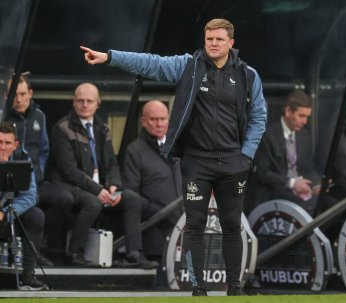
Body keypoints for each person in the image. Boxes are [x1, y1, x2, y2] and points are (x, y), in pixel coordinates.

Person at [80, 18, 267, 296]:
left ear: (231, 43)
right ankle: (198, 288)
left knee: (231, 225)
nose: (213, 44)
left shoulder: (247, 75)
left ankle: (235, 288)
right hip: (196, 162)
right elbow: (150, 63)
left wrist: (246, 156)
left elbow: (259, 118)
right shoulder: (188, 66)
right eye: (209, 39)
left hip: (232, 162)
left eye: (218, 39)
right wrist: (109, 57)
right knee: (194, 226)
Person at [49, 82, 157, 268]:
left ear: (97, 103)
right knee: (92, 201)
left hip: (100, 189)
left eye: (89, 101)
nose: (84, 104)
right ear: (73, 103)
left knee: (132, 199)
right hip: (73, 188)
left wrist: (114, 185)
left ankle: (134, 253)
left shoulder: (102, 128)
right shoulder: (62, 128)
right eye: (80, 100)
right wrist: (98, 190)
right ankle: (75, 253)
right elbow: (69, 171)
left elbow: (112, 163)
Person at [6, 74, 68, 264]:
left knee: (64, 199)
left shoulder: (39, 116)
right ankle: (29, 255)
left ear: (30, 93)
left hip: (34, 178)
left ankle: (43, 248)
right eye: (13, 94)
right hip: (9, 179)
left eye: (22, 94)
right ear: (6, 95)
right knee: (31, 207)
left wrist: (38, 171)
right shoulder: (3, 116)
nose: (18, 99)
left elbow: (44, 150)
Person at [121, 100, 182, 288]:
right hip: (155, 239)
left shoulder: (180, 147)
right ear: (143, 121)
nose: (159, 123)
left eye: (163, 119)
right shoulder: (134, 151)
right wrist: (161, 214)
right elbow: (131, 195)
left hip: (183, 236)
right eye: (154, 119)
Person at [248, 90, 320, 215]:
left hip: (300, 191)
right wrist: (292, 183)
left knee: (326, 203)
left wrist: (317, 186)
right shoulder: (267, 135)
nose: (305, 122)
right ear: (288, 111)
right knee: (308, 207)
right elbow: (262, 173)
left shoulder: (304, 136)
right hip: (274, 192)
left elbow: (308, 168)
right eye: (301, 116)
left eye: (307, 117)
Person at [0, 122, 48, 290]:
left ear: (15, 144)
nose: (3, 147)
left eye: (7, 143)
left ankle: (28, 275)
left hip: (9, 213)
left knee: (36, 216)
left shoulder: (22, 157)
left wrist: (5, 213)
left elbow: (30, 195)